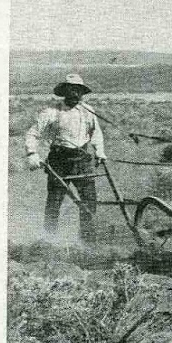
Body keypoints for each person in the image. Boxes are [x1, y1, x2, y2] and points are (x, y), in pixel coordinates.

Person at [24, 73, 107, 241]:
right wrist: (32, 153)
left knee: (89, 201)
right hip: (59, 161)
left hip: (82, 160)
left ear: (82, 92)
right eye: (72, 89)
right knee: (54, 202)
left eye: (78, 90)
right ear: (65, 91)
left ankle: (87, 241)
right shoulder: (51, 112)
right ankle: (49, 240)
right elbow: (33, 133)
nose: (75, 93)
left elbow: (96, 133)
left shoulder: (88, 111)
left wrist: (99, 151)